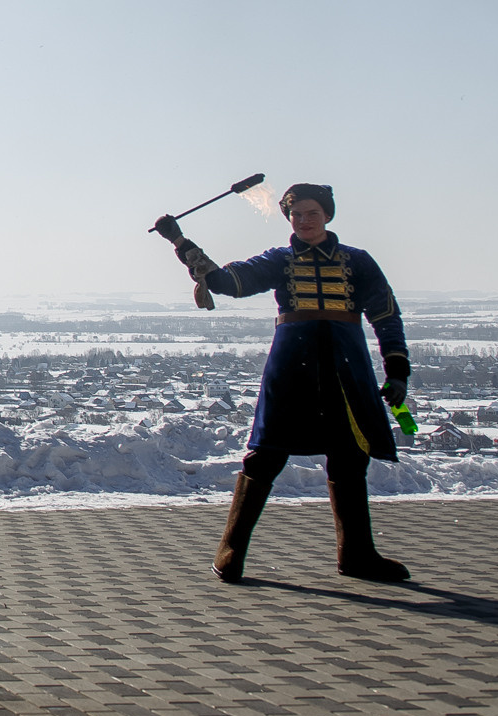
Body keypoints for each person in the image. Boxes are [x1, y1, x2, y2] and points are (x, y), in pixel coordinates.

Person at [162, 182, 412, 583]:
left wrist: (397, 369)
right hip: (292, 366)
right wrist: (180, 242)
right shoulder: (278, 260)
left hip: (346, 367)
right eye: (297, 214)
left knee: (350, 456)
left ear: (327, 215)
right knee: (266, 455)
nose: (304, 220)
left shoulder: (358, 262)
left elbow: (385, 315)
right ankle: (230, 550)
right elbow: (229, 282)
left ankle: (357, 554)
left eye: (312, 213)